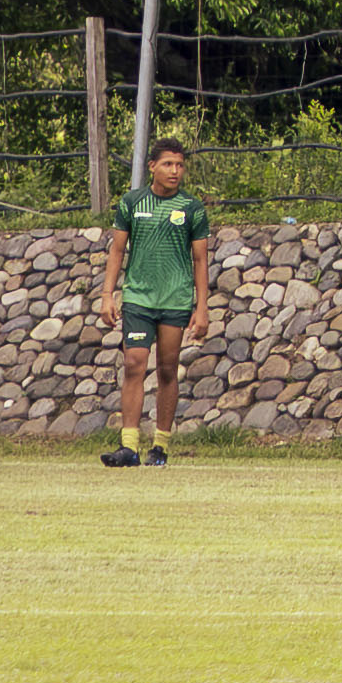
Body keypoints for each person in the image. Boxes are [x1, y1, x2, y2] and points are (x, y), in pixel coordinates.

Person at [101, 137, 220, 466]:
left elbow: (200, 261)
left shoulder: (191, 208)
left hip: (175, 300)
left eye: (180, 165)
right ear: (151, 166)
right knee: (134, 364)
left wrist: (202, 307)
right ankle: (128, 447)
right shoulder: (131, 203)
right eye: (168, 164)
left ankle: (160, 447)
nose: (175, 171)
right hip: (138, 298)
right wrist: (107, 295)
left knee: (167, 369)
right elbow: (117, 251)